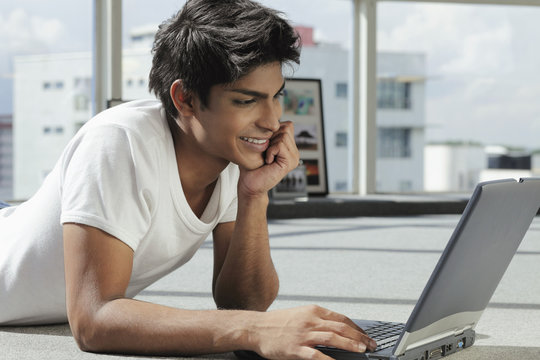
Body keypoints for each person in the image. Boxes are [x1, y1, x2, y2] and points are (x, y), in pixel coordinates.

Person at [0, 0, 376, 358]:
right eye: (246, 101)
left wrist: (254, 196)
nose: (272, 121)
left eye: (276, 96)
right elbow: (94, 320)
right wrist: (255, 329)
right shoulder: (119, 141)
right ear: (185, 98)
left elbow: (244, 303)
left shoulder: (230, 157)